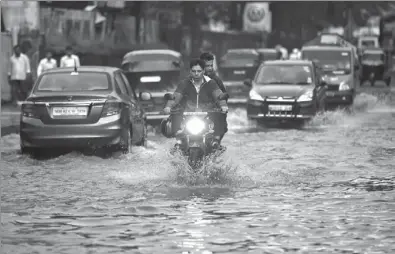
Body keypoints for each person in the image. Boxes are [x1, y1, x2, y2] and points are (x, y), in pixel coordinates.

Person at [163, 59, 228, 148]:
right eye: (194, 71)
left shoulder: (211, 83)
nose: (196, 73)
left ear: (203, 71)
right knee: (179, 137)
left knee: (215, 134)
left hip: (206, 116)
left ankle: (214, 145)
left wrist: (223, 106)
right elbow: (176, 97)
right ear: (190, 71)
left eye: (199, 71)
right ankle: (180, 148)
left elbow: (219, 95)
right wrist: (168, 107)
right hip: (188, 116)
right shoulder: (184, 83)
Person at [199, 52, 228, 143]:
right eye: (207, 66)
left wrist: (219, 105)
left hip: (212, 115)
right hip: (196, 115)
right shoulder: (192, 79)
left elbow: (223, 97)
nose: (210, 68)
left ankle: (216, 143)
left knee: (219, 127)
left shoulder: (216, 80)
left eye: (211, 65)